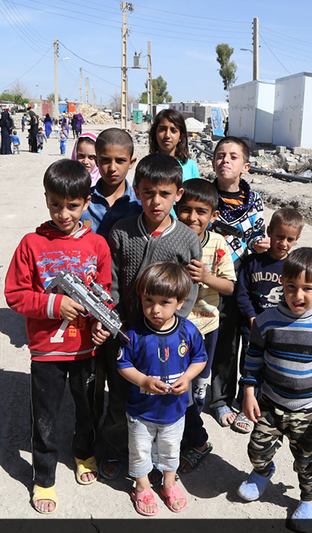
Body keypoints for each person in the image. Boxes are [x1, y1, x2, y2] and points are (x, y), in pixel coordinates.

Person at [4, 159, 111, 514]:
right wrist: (54, 304)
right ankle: (44, 477)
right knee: (45, 419)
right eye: (55, 204)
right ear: (46, 198)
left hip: (86, 352)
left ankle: (84, 454)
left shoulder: (97, 245)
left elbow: (105, 294)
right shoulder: (31, 244)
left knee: (86, 409)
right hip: (47, 352)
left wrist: (100, 324)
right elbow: (15, 295)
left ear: (86, 201)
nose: (63, 213)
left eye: (73, 205)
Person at [97, 152, 202, 481]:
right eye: (148, 192)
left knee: (166, 398)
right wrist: (116, 321)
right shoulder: (122, 231)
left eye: (165, 194)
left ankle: (163, 457)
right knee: (119, 395)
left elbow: (191, 288)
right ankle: (115, 448)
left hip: (167, 336)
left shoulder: (186, 238)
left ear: (178, 194)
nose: (156, 201)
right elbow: (112, 282)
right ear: (137, 191)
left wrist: (173, 325)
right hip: (127, 332)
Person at [237, 247, 312, 532]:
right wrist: (248, 391)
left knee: (305, 460)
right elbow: (253, 358)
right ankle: (263, 472)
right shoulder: (265, 321)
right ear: (281, 284)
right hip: (270, 403)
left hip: (307, 411)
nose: (298, 296)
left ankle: (310, 499)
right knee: (256, 449)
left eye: (308, 288)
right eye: (291, 287)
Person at [111, 261, 207, 515]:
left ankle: (169, 483)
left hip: (174, 412)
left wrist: (187, 378)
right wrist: (143, 381)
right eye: (148, 300)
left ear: (181, 301)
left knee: (171, 448)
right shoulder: (133, 334)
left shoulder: (188, 331)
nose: (155, 309)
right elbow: (122, 364)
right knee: (140, 449)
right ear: (140, 298)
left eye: (165, 302)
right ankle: (142, 486)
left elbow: (200, 359)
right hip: (140, 412)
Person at [80, 128, 142, 479]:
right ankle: (86, 445)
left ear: (131, 162)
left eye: (120, 161)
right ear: (94, 160)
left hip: (126, 310)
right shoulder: (83, 201)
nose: (112, 168)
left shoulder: (141, 202)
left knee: (120, 384)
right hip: (86, 309)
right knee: (90, 384)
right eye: (105, 160)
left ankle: (115, 446)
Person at [175, 179, 236, 472]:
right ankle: (186, 432)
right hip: (174, 330)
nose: (192, 217)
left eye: (201, 211)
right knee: (177, 384)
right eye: (185, 210)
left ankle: (195, 438)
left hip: (206, 328)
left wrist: (207, 278)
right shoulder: (171, 239)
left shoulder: (219, 245)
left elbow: (229, 287)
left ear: (213, 215)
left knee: (198, 386)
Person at [209, 136, 269, 429]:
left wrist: (262, 244)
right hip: (216, 280)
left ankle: (249, 401)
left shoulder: (255, 200)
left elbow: (259, 233)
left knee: (251, 341)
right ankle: (219, 399)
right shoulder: (205, 198)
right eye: (220, 155)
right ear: (212, 162)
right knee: (224, 342)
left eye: (233, 156)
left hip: (248, 281)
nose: (225, 161)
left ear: (245, 166)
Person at [231, 207, 303, 433]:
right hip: (252, 325)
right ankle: (245, 404)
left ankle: (265, 405)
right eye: (279, 236)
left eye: (290, 239)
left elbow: (298, 296)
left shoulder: (294, 268)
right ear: (269, 232)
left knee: (274, 365)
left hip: (279, 327)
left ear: (297, 240)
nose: (283, 243)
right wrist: (251, 317)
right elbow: (241, 293)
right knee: (249, 364)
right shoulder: (253, 263)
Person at [149, 109, 200, 183]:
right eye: (162, 129)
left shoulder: (190, 166)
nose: (167, 135)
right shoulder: (147, 165)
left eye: (173, 130)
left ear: (180, 137)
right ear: (155, 133)